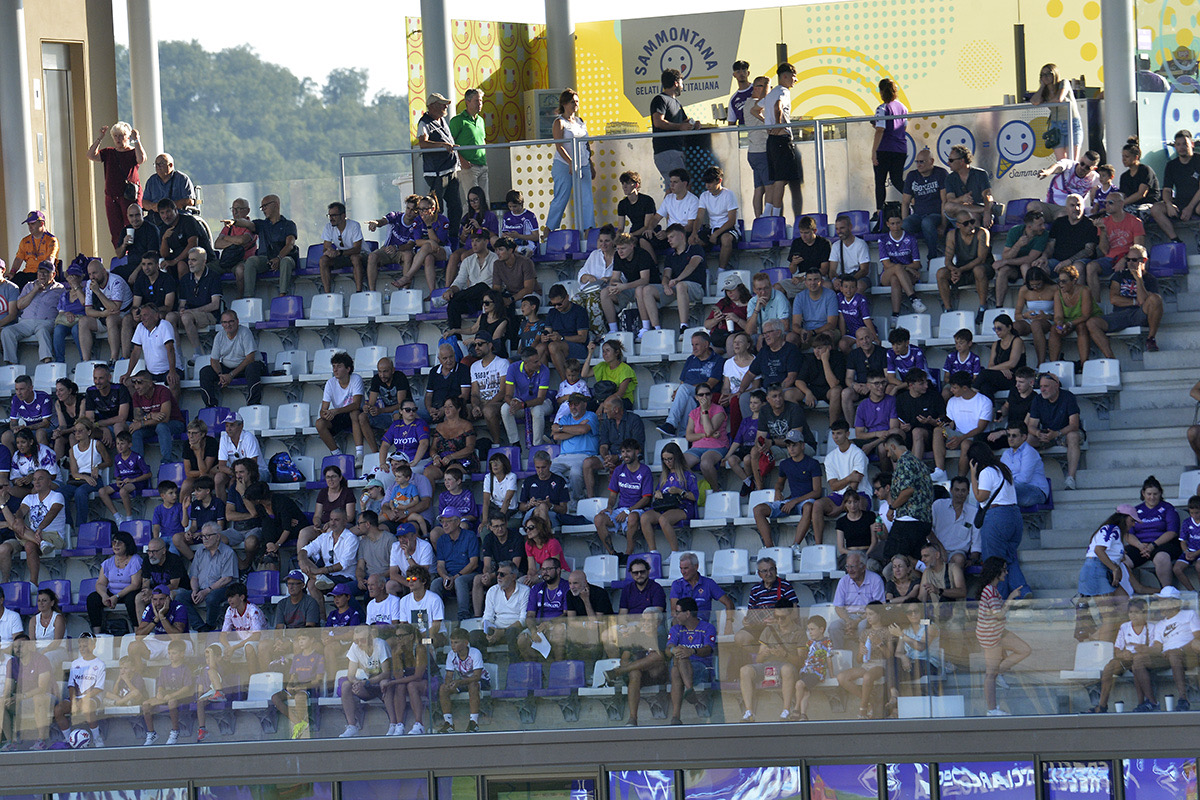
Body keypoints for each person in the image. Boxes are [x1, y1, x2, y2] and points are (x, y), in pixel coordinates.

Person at [969, 441, 1029, 601]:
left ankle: (997, 599)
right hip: (1014, 516)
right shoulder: (1003, 469)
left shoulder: (986, 472)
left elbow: (980, 496)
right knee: (1009, 558)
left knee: (993, 562)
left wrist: (973, 476)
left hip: (997, 517)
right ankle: (1022, 591)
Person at [1077, 505, 1139, 649]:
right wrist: (1114, 568)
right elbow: (1099, 550)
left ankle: (1095, 639)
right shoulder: (1112, 529)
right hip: (1097, 570)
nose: (1133, 524)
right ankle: (1102, 652)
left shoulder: (1113, 530)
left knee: (1124, 605)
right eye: (1132, 520)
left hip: (1100, 571)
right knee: (1110, 616)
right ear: (1124, 518)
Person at [976, 556, 1031, 716]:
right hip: (991, 635)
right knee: (990, 674)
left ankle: (1000, 672)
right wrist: (1011, 597)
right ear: (996, 571)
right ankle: (991, 710)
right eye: (1004, 569)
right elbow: (999, 614)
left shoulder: (991, 590)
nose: (1006, 573)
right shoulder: (990, 591)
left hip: (998, 632)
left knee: (1024, 649)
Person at [1131, 586, 1200, 712]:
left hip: (1187, 654)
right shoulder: (1160, 625)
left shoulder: (1189, 614)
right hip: (1165, 656)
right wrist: (1145, 649)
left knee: (1173, 654)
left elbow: (1198, 637)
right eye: (1160, 601)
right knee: (1138, 661)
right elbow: (1157, 647)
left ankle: (1183, 699)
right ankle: (1152, 702)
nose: (1160, 604)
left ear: (1175, 603)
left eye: (1164, 601)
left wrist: (1180, 650)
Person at [1089, 243, 1163, 356]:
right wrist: (1134, 302)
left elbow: (1143, 301)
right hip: (1120, 314)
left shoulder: (1150, 279)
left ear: (1144, 260)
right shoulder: (1119, 275)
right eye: (1128, 260)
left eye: (1134, 260)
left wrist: (1138, 279)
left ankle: (1151, 338)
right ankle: (1110, 358)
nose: (1130, 263)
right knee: (1092, 322)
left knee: (1156, 299)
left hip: (1140, 314)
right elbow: (1114, 299)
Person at [737, 598, 804, 722]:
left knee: (787, 669)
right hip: (767, 665)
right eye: (776, 617)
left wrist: (785, 655)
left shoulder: (799, 633)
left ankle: (786, 710)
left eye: (782, 617)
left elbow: (800, 662)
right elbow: (758, 659)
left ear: (791, 615)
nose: (779, 620)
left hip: (787, 665)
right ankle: (749, 712)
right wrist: (764, 653)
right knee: (745, 670)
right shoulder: (769, 630)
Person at [752, 430, 822, 547]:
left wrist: (794, 501)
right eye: (788, 445)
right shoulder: (785, 464)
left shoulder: (812, 463)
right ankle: (769, 547)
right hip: (791, 502)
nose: (791, 448)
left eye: (794, 445)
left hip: (804, 501)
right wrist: (778, 490)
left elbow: (817, 491)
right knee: (758, 510)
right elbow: (780, 483)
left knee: (809, 506)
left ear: (803, 445)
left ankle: (795, 545)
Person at [1088, 598, 1154, 714]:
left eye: (1137, 612)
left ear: (1145, 613)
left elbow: (1153, 650)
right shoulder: (1125, 627)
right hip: (1127, 657)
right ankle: (1102, 706)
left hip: (1143, 659)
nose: (1133, 616)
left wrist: (1142, 651)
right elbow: (1117, 648)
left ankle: (1144, 703)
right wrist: (1122, 654)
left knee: (1137, 663)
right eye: (1131, 612)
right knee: (1109, 668)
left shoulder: (1151, 627)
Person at [0, 470, 65, 586]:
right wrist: (19, 519)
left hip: (53, 535)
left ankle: (33, 582)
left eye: (40, 478)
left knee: (26, 539)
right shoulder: (29, 498)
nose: (36, 482)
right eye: (34, 479)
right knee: (23, 535)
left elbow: (52, 513)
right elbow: (21, 511)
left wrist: (40, 528)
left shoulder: (57, 496)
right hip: (34, 536)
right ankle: (33, 583)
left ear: (49, 482)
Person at [86, 122, 146, 249]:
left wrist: (137, 140)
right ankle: (120, 253)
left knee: (132, 224)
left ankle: (135, 251)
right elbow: (90, 155)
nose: (119, 139)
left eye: (122, 136)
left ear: (128, 137)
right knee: (115, 230)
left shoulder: (133, 152)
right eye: (116, 136)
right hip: (112, 197)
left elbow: (141, 159)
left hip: (129, 196)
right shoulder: (109, 153)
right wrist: (100, 138)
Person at [594, 439, 653, 558]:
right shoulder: (618, 470)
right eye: (623, 451)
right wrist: (609, 507)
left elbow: (646, 499)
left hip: (638, 509)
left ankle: (628, 555)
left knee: (632, 518)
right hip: (621, 509)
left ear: (637, 452)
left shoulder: (645, 470)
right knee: (598, 519)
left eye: (628, 451)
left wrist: (628, 511)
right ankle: (613, 554)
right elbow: (612, 495)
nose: (625, 454)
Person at [1026, 371, 1084, 491]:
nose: (1042, 390)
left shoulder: (1068, 397)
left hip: (1065, 433)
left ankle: (1070, 478)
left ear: (1056, 386)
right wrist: (1038, 433)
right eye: (1041, 386)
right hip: (1047, 434)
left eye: (1046, 386)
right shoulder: (1037, 400)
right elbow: (1031, 425)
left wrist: (1057, 433)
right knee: (1028, 439)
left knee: (1073, 436)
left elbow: (1074, 425)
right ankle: (1029, 477)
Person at [880, 435, 934, 562]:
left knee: (894, 558)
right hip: (923, 520)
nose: (888, 455)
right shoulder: (918, 463)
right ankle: (922, 573)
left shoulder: (904, 463)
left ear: (893, 447)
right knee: (913, 558)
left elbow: (908, 490)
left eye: (888, 451)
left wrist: (892, 507)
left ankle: (923, 572)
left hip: (908, 520)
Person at [416, 92, 462, 241]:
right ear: (432, 106)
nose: (445, 106)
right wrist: (442, 145)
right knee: (437, 209)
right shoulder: (424, 122)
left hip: (450, 170)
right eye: (442, 104)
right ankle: (438, 240)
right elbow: (422, 143)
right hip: (437, 173)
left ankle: (453, 237)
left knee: (456, 207)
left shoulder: (442, 120)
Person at [546, 88, 594, 232]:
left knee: (587, 198)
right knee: (561, 197)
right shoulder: (559, 122)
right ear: (565, 103)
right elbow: (559, 145)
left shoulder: (580, 121)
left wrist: (591, 164)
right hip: (563, 164)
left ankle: (588, 230)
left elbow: (586, 144)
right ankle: (549, 230)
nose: (575, 105)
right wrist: (570, 162)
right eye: (572, 102)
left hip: (583, 163)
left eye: (577, 102)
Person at [665, 597, 717, 725]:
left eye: (678, 612)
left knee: (679, 662)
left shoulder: (707, 627)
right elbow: (667, 649)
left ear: (687, 614)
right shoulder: (676, 628)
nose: (675, 615)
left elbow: (708, 649)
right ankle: (689, 690)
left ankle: (676, 716)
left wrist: (692, 651)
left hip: (702, 667)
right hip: (681, 668)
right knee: (678, 663)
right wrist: (674, 650)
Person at [199, 309, 266, 409]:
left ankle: (253, 404)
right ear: (221, 324)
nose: (228, 325)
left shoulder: (245, 332)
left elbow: (250, 358)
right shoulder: (219, 336)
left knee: (252, 368)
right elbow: (214, 360)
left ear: (237, 321)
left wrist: (231, 375)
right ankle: (210, 406)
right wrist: (220, 375)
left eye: (231, 321)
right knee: (205, 371)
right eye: (225, 322)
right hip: (228, 367)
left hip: (248, 366)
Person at [640, 443, 699, 555]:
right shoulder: (664, 476)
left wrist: (680, 491)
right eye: (665, 460)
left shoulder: (688, 475)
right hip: (665, 507)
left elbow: (695, 496)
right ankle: (653, 552)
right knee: (645, 518)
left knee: (664, 519)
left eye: (670, 459)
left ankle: (675, 553)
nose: (668, 462)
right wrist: (657, 493)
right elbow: (659, 491)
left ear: (677, 458)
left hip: (683, 507)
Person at [234, 194, 298, 297]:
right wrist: (235, 222)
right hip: (266, 259)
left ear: (275, 205)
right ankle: (248, 297)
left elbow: (290, 245)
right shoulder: (262, 224)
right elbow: (248, 224)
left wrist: (278, 258)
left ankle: (282, 294)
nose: (263, 210)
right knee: (251, 261)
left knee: (286, 261)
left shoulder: (289, 224)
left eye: (265, 206)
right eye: (261, 207)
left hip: (284, 257)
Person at [1, 261, 62, 366]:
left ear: (53, 274)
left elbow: (64, 308)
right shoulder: (29, 286)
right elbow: (19, 305)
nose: (42, 275)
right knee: (7, 332)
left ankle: (47, 363)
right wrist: (34, 290)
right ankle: (12, 365)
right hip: (26, 322)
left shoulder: (60, 289)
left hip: (46, 322)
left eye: (46, 272)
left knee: (42, 331)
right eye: (40, 272)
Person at [168, 247, 223, 363]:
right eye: (189, 260)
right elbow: (182, 304)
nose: (190, 263)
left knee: (186, 317)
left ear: (204, 261)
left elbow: (215, 305)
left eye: (194, 260)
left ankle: (198, 353)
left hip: (210, 314)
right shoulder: (185, 279)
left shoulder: (213, 277)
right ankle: (177, 355)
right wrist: (182, 309)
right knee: (170, 317)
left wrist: (193, 311)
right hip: (189, 314)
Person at [338, 626, 393, 738]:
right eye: (355, 640)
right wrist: (357, 682)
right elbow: (351, 674)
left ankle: (393, 724)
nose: (358, 643)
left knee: (385, 683)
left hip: (382, 683)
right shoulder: (355, 647)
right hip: (367, 685)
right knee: (346, 685)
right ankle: (352, 726)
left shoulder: (380, 644)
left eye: (362, 640)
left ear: (371, 637)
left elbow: (387, 673)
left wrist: (366, 682)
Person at [763, 62, 803, 217]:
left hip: (772, 140)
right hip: (781, 140)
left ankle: (768, 213)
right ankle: (775, 216)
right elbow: (778, 107)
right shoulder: (783, 91)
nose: (796, 80)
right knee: (781, 180)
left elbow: (756, 109)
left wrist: (768, 126)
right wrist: (778, 126)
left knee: (776, 180)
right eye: (794, 77)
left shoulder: (770, 94)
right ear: (785, 76)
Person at [84, 530, 142, 634]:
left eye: (119, 543)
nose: (116, 545)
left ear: (127, 545)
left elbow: (135, 584)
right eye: (114, 542)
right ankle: (97, 634)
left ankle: (137, 631)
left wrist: (117, 596)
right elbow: (100, 583)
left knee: (132, 600)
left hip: (129, 592)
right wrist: (104, 596)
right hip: (112, 592)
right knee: (92, 599)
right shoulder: (108, 562)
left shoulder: (135, 560)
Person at [472, 517, 527, 623]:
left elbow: (514, 566)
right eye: (496, 526)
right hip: (498, 573)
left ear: (506, 524)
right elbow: (487, 565)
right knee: (478, 579)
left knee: (519, 582)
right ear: (490, 527)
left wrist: (494, 575)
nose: (500, 529)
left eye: (502, 525)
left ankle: (513, 617)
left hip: (516, 573)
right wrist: (486, 575)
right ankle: (477, 617)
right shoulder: (489, 538)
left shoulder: (516, 537)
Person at [992, 210, 1050, 310]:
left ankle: (1030, 305)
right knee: (1003, 271)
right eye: (1040, 225)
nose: (1043, 227)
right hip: (1013, 268)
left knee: (1025, 267)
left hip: (1031, 266)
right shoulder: (1015, 231)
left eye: (1043, 224)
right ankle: (998, 307)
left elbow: (1030, 258)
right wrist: (1018, 245)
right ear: (1029, 227)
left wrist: (1005, 262)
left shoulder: (1043, 235)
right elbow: (1006, 255)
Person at [1150, 129, 1200, 245]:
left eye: (1185, 144)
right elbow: (1167, 189)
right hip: (1180, 202)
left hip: (1196, 202)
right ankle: (1175, 240)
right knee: (1156, 209)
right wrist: (1168, 204)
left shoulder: (1198, 160)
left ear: (1191, 144)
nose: (1181, 147)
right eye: (1178, 144)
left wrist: (1190, 207)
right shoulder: (1171, 165)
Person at [315, 351, 366, 465]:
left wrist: (335, 411)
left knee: (354, 413)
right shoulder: (330, 383)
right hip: (339, 415)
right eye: (333, 366)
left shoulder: (356, 379)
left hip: (356, 414)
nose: (335, 370)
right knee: (319, 423)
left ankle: (359, 454)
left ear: (348, 369)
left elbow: (356, 404)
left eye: (339, 366)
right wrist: (326, 414)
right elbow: (323, 410)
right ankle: (337, 454)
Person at [435, 627, 489, 733]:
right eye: (451, 642)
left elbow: (477, 676)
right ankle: (449, 723)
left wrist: (458, 682)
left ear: (465, 643)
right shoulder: (451, 655)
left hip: (481, 680)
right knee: (443, 688)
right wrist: (448, 684)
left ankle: (474, 723)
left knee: (473, 685)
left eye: (456, 642)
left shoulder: (475, 653)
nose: (453, 645)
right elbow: (449, 675)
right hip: (463, 681)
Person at [79, 258, 133, 363]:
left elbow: (115, 308)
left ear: (104, 271)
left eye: (94, 273)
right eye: (90, 274)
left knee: (111, 319)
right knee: (83, 321)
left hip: (123, 315)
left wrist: (98, 292)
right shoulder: (90, 283)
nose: (92, 277)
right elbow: (88, 311)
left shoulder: (116, 281)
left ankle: (113, 359)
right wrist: (102, 313)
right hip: (104, 314)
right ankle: (86, 361)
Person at [938, 212, 992, 315]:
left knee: (978, 270)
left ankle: (982, 307)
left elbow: (981, 259)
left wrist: (960, 270)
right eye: (966, 223)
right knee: (941, 273)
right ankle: (948, 309)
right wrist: (953, 270)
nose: (971, 226)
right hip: (962, 270)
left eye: (972, 222)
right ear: (958, 225)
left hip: (982, 268)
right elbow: (948, 260)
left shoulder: (982, 233)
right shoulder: (952, 235)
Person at [650, 69, 699, 183]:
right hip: (666, 150)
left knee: (673, 188)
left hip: (676, 150)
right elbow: (658, 122)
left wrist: (694, 124)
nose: (683, 86)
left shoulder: (676, 103)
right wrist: (680, 127)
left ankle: (668, 201)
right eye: (682, 82)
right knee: (681, 185)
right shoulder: (660, 99)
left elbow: (685, 122)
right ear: (676, 83)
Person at [127, 371, 184, 468]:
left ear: (150, 383)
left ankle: (166, 462)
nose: (136, 387)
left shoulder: (162, 391)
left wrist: (142, 423)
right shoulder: (137, 395)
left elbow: (164, 419)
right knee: (135, 431)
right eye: (134, 383)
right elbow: (137, 417)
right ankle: (137, 465)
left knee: (161, 427)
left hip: (175, 423)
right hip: (153, 425)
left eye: (140, 382)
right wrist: (150, 416)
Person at [829, 551, 885, 649]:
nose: (849, 570)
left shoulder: (876, 580)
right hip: (848, 616)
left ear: (863, 567)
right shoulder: (844, 581)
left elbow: (877, 607)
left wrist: (857, 621)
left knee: (862, 627)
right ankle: (840, 657)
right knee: (834, 627)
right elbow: (838, 607)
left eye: (853, 567)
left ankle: (863, 658)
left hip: (868, 616)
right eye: (847, 567)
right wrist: (848, 621)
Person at [365, 194, 421, 291]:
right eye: (408, 208)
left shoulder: (417, 225)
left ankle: (405, 289)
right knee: (372, 256)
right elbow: (383, 221)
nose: (409, 212)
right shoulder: (395, 216)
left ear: (417, 212)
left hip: (400, 252)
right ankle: (372, 291)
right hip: (386, 250)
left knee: (408, 255)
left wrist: (396, 248)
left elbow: (410, 245)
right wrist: (375, 223)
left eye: (413, 210)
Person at [432, 509, 480, 619]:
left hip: (468, 574)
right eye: (442, 522)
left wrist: (456, 576)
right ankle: (436, 618)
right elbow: (440, 565)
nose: (444, 525)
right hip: (449, 575)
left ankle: (463, 615)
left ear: (458, 522)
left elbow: (474, 564)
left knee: (460, 581)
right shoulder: (441, 540)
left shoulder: (469, 536)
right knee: (436, 583)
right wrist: (445, 577)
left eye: (448, 521)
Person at [669, 551, 735, 630]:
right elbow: (674, 611)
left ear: (696, 567)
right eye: (681, 568)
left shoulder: (708, 583)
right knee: (675, 621)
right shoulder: (677, 584)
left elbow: (729, 603)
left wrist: (729, 623)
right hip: (683, 624)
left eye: (686, 568)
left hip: (702, 626)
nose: (683, 572)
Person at [499, 346, 550, 448]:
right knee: (505, 408)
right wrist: (513, 404)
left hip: (543, 403)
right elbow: (508, 395)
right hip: (521, 402)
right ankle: (515, 443)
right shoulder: (513, 368)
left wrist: (521, 405)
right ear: (525, 363)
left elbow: (540, 399)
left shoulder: (544, 370)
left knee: (537, 410)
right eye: (535, 362)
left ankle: (536, 445)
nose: (539, 363)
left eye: (538, 360)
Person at [691, 166, 740, 270]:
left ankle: (721, 271)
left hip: (729, 229)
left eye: (710, 182)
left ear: (719, 181)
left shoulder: (729, 194)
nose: (707, 185)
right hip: (713, 229)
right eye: (706, 182)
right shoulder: (704, 196)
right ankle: (705, 271)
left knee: (726, 239)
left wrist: (715, 234)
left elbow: (731, 221)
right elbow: (699, 217)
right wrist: (694, 232)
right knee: (693, 241)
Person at [902, 148, 948, 256]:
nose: (918, 165)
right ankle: (909, 259)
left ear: (931, 161)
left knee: (927, 223)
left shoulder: (941, 173)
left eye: (922, 161)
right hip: (918, 215)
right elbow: (905, 202)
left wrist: (943, 225)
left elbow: (944, 201)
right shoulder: (912, 175)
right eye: (917, 162)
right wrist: (905, 221)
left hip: (936, 215)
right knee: (904, 224)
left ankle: (932, 256)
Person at [683, 382, 729, 490]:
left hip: (717, 446)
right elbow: (689, 436)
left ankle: (715, 489)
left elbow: (709, 430)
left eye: (707, 394)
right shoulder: (693, 413)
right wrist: (705, 435)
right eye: (701, 395)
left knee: (706, 463)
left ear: (711, 396)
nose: (704, 397)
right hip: (696, 448)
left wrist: (704, 411)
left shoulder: (718, 410)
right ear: (696, 397)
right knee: (680, 464)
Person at [1032, 150, 1100, 221]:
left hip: (1070, 211)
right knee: (1033, 206)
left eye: (1087, 168)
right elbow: (1058, 167)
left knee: (1063, 215)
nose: (1083, 168)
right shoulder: (1069, 165)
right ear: (1081, 159)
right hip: (1051, 205)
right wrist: (1048, 171)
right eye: (1082, 163)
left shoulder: (1095, 178)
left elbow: (1107, 189)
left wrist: (1096, 202)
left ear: (1094, 168)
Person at [974, 314, 1026, 400]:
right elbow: (990, 365)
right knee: (985, 387)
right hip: (1000, 376)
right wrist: (1001, 369)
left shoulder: (1017, 341)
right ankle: (990, 411)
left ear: (1009, 327)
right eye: (995, 329)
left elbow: (1012, 363)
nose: (997, 331)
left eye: (999, 328)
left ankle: (972, 394)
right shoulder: (996, 344)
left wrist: (997, 368)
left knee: (984, 373)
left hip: (1015, 377)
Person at [157, 200, 214, 279]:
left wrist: (175, 261)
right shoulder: (164, 228)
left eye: (168, 212)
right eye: (162, 213)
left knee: (181, 265)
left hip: (201, 257)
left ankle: (186, 291)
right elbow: (164, 254)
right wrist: (164, 239)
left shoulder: (188, 221)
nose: (166, 216)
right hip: (179, 258)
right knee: (161, 265)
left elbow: (193, 245)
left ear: (176, 210)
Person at [450, 88, 489, 202]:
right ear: (467, 102)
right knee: (472, 201)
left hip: (482, 164)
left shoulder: (481, 120)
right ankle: (469, 220)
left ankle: (484, 220)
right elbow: (451, 143)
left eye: (481, 101)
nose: (480, 104)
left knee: (485, 200)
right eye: (477, 101)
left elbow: (483, 140)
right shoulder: (458, 121)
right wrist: (462, 161)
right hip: (468, 167)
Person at [317, 201, 365, 293]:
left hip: (361, 255)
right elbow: (326, 247)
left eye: (334, 215)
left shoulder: (354, 225)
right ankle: (327, 294)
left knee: (355, 258)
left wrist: (339, 252)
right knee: (323, 260)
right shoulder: (328, 227)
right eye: (329, 215)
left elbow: (357, 249)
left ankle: (359, 291)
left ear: (343, 216)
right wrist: (328, 251)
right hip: (342, 256)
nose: (331, 218)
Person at [943, 144, 994, 229]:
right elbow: (950, 199)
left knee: (972, 216)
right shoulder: (950, 178)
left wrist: (987, 212)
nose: (948, 163)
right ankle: (982, 209)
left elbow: (987, 195)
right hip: (960, 211)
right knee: (948, 206)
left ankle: (976, 239)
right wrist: (962, 199)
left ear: (962, 161)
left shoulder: (980, 174)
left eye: (951, 160)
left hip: (978, 208)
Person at [1012, 268, 1057, 364]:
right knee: (1014, 327)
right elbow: (1017, 315)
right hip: (1030, 319)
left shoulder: (1053, 289)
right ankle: (1015, 361)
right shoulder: (1024, 290)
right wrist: (1025, 315)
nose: (1036, 287)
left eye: (1038, 284)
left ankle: (1041, 362)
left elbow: (1060, 313)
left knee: (1036, 325)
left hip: (1048, 319)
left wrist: (1047, 316)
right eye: (1032, 285)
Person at [517, 449, 570, 530]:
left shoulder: (559, 481)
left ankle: (540, 539)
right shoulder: (529, 481)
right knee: (540, 508)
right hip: (531, 514)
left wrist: (550, 506)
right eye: (537, 467)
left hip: (552, 515)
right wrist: (529, 505)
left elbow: (564, 510)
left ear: (550, 464)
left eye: (543, 467)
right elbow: (521, 507)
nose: (540, 471)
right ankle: (545, 538)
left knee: (542, 507)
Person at [1001, 424, 1050, 509]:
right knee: (987, 491)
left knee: (1003, 491)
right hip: (1015, 489)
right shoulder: (1006, 454)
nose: (1010, 439)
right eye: (1008, 435)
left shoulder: (1029, 452)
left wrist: (1008, 482)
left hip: (1036, 491)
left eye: (1014, 436)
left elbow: (1024, 479)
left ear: (1024, 437)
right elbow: (1002, 475)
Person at [791, 268, 841, 347]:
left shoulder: (830, 295)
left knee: (826, 336)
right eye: (810, 280)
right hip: (806, 332)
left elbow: (831, 324)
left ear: (822, 281)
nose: (813, 283)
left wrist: (813, 332)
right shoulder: (799, 297)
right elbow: (795, 324)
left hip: (825, 330)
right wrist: (801, 331)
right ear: (806, 282)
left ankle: (826, 359)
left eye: (816, 279)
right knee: (791, 338)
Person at [785, 215, 835, 294]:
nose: (803, 236)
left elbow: (824, 270)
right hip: (800, 277)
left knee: (827, 286)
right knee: (778, 287)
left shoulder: (824, 243)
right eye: (801, 233)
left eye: (806, 233)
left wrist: (804, 278)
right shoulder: (797, 243)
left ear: (814, 231)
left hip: (817, 277)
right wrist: (793, 263)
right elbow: (792, 270)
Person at [141, 152, 196, 225]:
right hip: (156, 216)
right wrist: (154, 206)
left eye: (161, 164)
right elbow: (144, 202)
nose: (158, 167)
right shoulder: (152, 180)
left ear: (170, 165)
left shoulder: (182, 179)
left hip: (178, 215)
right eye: (156, 164)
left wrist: (169, 208)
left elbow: (189, 201)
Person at [8, 212, 59, 289]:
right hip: (27, 273)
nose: (30, 227)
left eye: (33, 224)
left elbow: (49, 260)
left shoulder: (51, 240)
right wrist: (12, 272)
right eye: (28, 224)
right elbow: (18, 259)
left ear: (41, 223)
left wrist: (41, 274)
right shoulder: (25, 241)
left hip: (43, 273)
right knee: (12, 285)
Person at [744, 272, 791, 344]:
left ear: (771, 287)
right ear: (754, 290)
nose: (763, 292)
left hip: (777, 334)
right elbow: (749, 332)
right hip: (760, 335)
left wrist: (766, 335)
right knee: (743, 341)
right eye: (759, 289)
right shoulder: (752, 302)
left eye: (766, 288)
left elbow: (785, 326)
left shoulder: (779, 297)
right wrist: (756, 310)